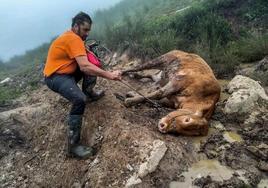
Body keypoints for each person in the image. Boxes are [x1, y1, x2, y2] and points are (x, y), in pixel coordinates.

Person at [43, 12, 122, 159]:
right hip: (56, 77)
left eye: (88, 31)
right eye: (85, 30)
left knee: (90, 65)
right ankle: (73, 146)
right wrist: (110, 75)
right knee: (79, 100)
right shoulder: (73, 39)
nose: (87, 33)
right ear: (76, 26)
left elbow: (86, 63)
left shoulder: (74, 37)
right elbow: (85, 67)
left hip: (66, 71)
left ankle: (89, 93)